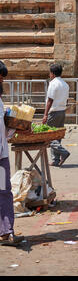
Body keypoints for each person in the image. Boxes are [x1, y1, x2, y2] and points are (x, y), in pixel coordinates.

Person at [0, 61, 24, 246]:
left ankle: (7, 232)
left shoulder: (0, 102)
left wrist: (13, 125)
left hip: (1, 156)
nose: (1, 80)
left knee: (4, 192)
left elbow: (4, 133)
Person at [43, 64, 70, 167]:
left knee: (48, 136)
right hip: (62, 111)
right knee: (57, 136)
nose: (49, 75)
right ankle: (55, 160)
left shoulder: (53, 84)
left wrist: (45, 115)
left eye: (50, 73)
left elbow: (50, 100)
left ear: (53, 74)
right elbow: (66, 99)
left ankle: (63, 152)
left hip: (53, 112)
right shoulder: (65, 84)